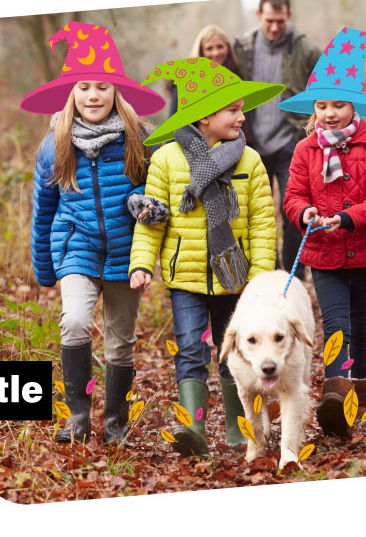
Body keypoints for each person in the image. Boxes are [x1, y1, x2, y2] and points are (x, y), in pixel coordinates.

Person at [21, 21, 166, 444]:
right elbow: (44, 209)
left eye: (102, 87)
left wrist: (146, 204)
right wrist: (42, 267)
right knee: (75, 323)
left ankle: (115, 423)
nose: (93, 96)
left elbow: (160, 192)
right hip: (76, 247)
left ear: (117, 92)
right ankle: (79, 416)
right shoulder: (54, 145)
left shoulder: (141, 139)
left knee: (120, 343)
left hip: (125, 251)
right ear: (72, 93)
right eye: (84, 87)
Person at [129, 56, 281, 455]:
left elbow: (263, 224)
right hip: (186, 279)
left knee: (236, 351)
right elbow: (151, 218)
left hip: (237, 278)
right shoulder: (165, 160)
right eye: (232, 110)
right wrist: (142, 264)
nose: (241, 117)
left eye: (241, 109)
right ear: (202, 117)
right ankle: (193, 429)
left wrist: (262, 280)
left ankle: (238, 428)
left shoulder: (249, 160)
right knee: (190, 349)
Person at [280, 27, 366, 439]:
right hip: (324, 254)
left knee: (361, 326)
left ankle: (362, 396)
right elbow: (293, 195)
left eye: (339, 105)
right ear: (314, 108)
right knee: (336, 325)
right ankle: (335, 396)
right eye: (323, 105)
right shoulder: (304, 150)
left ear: (355, 106)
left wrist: (349, 218)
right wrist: (305, 211)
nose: (329, 113)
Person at [233, 0, 322, 279]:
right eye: (269, 21)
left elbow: (323, 92)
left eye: (280, 21)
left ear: (289, 15)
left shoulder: (306, 50)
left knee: (294, 210)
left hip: (290, 142)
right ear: (259, 14)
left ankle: (293, 277)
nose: (274, 28)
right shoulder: (242, 48)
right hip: (251, 143)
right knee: (256, 215)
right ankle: (269, 275)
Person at [166, 25, 241, 116]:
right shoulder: (186, 82)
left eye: (220, 46)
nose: (216, 53)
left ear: (228, 48)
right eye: (209, 48)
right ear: (201, 51)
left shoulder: (237, 75)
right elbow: (174, 121)